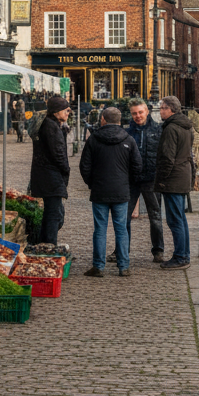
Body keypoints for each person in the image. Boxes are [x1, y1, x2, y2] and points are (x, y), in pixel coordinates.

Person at [79, 106, 141, 277]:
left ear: (103, 120)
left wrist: (92, 183)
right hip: (121, 191)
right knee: (121, 229)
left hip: (100, 190)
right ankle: (124, 266)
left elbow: (84, 166)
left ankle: (98, 266)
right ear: (120, 121)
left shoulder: (94, 139)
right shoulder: (128, 139)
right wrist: (128, 183)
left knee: (100, 229)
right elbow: (137, 166)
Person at [122, 98, 165, 263]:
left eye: (140, 112)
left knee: (155, 216)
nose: (138, 116)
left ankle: (158, 250)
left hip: (151, 179)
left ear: (147, 111)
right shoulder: (127, 132)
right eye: (134, 113)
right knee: (124, 217)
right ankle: (123, 250)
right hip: (131, 179)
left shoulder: (158, 130)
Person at [154, 95, 194, 270]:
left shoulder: (171, 129)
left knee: (175, 220)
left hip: (174, 179)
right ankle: (184, 254)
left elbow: (167, 158)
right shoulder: (186, 126)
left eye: (163, 108)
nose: (160, 111)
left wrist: (161, 180)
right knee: (181, 219)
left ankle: (181, 256)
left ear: (171, 109)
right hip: (183, 175)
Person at [29, 95, 71, 245]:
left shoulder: (50, 124)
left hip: (45, 175)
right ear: (55, 112)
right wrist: (66, 170)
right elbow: (59, 154)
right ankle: (49, 246)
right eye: (65, 109)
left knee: (51, 212)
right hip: (50, 176)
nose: (68, 112)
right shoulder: (51, 127)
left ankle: (44, 243)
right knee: (55, 214)